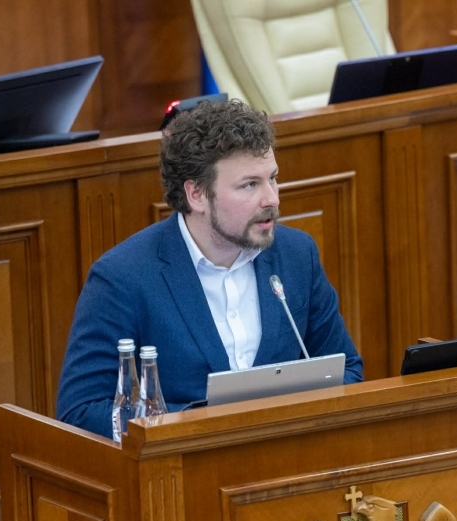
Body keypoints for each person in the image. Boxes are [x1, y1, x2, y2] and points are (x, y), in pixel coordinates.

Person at [57, 99, 363, 438]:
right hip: (183, 465)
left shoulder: (296, 254)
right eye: (250, 185)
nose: (272, 199)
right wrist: (204, 424)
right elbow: (80, 411)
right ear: (197, 194)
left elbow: (347, 371)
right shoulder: (122, 277)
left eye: (272, 179)